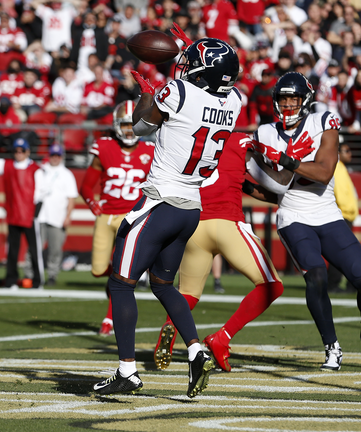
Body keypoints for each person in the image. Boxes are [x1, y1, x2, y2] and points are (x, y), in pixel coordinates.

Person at [92, 34, 243, 398]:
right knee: (161, 285)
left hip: (161, 201)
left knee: (120, 283)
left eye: (193, 64)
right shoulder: (236, 101)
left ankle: (127, 371)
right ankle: (194, 352)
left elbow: (142, 127)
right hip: (191, 206)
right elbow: (212, 88)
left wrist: (148, 94)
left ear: (203, 73)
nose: (186, 67)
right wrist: (203, 57)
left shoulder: (177, 91)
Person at [246, 71, 361, 370]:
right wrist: (247, 184)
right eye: (283, 99)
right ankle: (331, 347)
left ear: (305, 100)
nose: (288, 104)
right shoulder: (265, 133)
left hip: (326, 212)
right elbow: (276, 188)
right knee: (315, 277)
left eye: (294, 99)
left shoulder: (323, 121)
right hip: (293, 216)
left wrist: (284, 158)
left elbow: (323, 172)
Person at [152, 132, 312, 371]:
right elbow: (277, 183)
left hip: (194, 225)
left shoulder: (189, 137)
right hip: (227, 223)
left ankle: (170, 328)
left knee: (187, 294)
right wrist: (292, 159)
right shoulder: (239, 141)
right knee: (272, 285)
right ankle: (223, 337)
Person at [79, 100, 155, 336]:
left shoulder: (150, 151)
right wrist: (93, 204)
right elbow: (86, 186)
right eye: (125, 124)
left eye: (133, 124)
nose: (130, 130)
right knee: (98, 269)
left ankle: (109, 318)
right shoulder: (103, 147)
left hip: (132, 217)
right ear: (116, 125)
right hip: (107, 215)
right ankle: (116, 276)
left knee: (120, 272)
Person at [0, 138, 44, 289]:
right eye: (16, 150)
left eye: (22, 150)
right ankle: (11, 280)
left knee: (34, 250)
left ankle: (38, 281)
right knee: (12, 250)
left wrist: (35, 215)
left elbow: (40, 194)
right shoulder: (8, 165)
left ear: (28, 152)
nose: (18, 153)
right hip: (13, 214)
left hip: (30, 216)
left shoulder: (36, 170)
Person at [25, 144, 78, 286]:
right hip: (40, 215)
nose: (55, 158)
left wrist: (68, 216)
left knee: (55, 249)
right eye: (53, 155)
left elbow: (71, 197)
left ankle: (52, 275)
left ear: (61, 157)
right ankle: (29, 274)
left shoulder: (67, 174)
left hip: (58, 217)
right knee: (34, 247)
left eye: (57, 155)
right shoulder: (41, 170)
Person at [327, 141, 358, 294]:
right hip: (342, 216)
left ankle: (340, 284)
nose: (349, 153)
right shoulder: (337, 168)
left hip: (346, 216)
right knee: (343, 252)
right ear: (338, 152)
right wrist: (347, 211)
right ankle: (334, 284)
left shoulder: (342, 168)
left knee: (343, 252)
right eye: (347, 150)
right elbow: (339, 194)